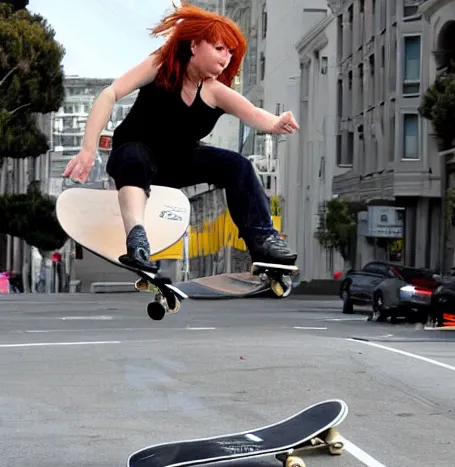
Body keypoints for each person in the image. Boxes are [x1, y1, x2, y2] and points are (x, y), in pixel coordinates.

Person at [63, 3, 299, 273]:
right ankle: (137, 241)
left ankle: (263, 242)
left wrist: (277, 122)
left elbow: (254, 114)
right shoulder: (162, 65)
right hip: (133, 154)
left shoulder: (216, 91)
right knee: (135, 157)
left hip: (177, 163)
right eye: (219, 48)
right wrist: (87, 150)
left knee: (238, 165)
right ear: (195, 45)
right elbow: (110, 94)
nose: (226, 58)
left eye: (231, 52)